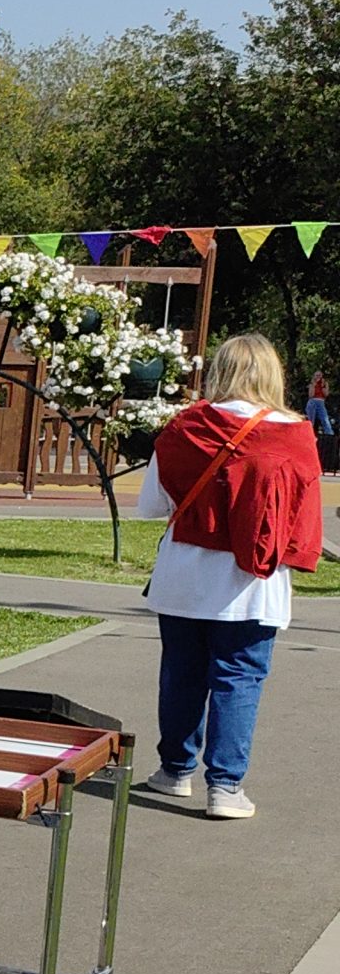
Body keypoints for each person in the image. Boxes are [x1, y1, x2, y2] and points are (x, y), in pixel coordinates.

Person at [137, 333, 322, 819]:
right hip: (254, 582)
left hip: (184, 577)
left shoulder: (186, 426)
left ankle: (175, 770)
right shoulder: (296, 435)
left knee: (182, 675)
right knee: (238, 679)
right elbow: (302, 519)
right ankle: (225, 787)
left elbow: (151, 505)